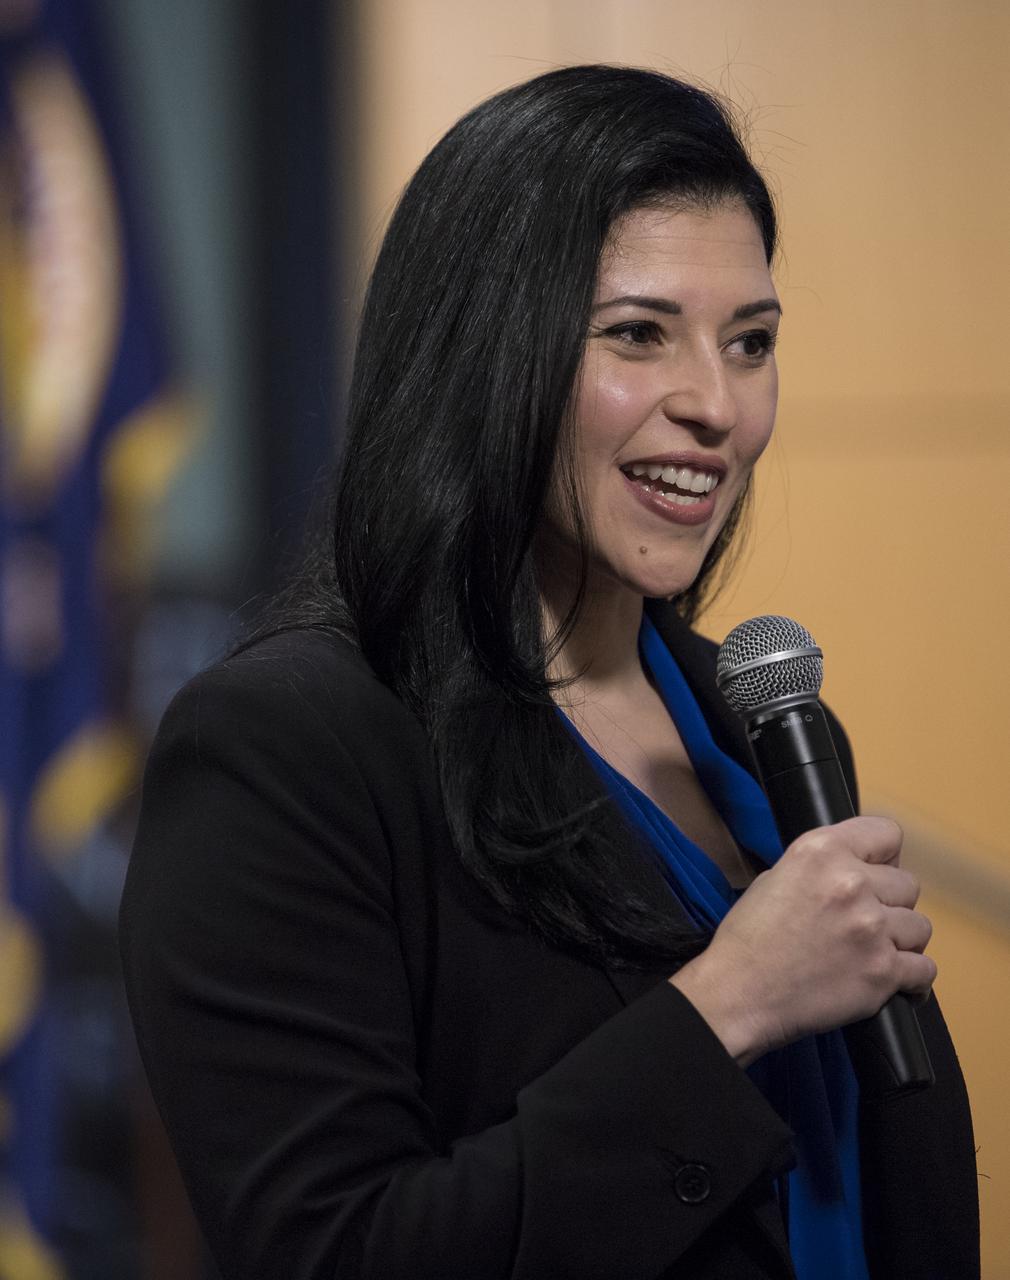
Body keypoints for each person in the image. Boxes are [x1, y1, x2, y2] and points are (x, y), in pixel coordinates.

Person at [119, 65, 978, 1279]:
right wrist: (730, 1000)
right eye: (637, 333)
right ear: (482, 352)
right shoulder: (284, 747)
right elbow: (336, 1252)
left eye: (749, 342)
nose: (715, 405)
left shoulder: (762, 725)